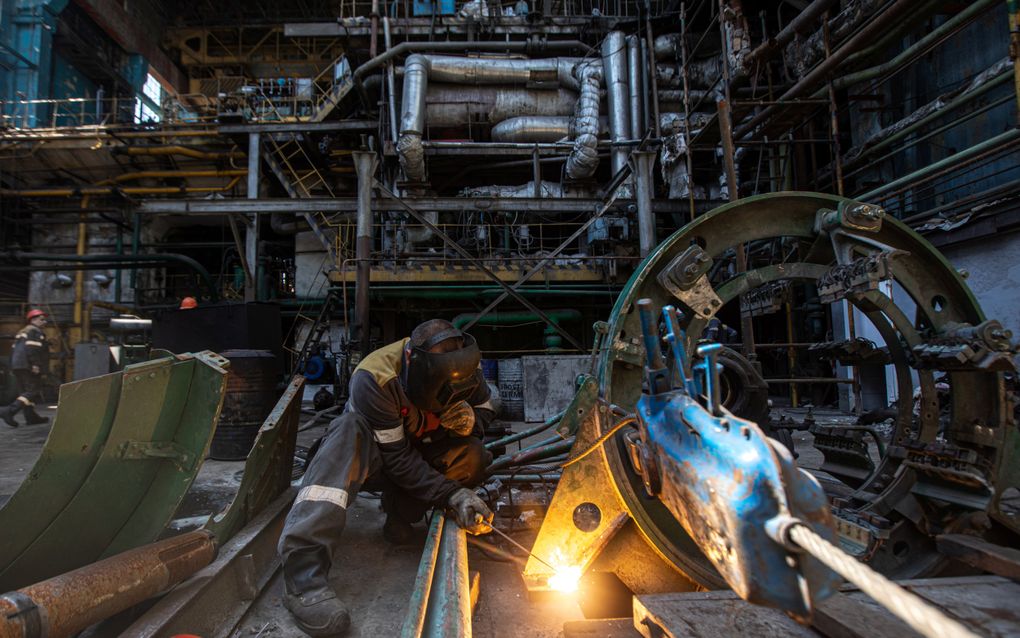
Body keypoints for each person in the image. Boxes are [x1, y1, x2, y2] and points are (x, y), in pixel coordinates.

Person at [278, 319, 496, 636]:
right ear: (412, 363)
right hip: (375, 462)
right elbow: (398, 460)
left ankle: (400, 511)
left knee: (473, 455)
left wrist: (474, 419)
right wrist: (453, 494)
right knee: (348, 430)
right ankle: (303, 577)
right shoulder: (375, 378)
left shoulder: (463, 366)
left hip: (421, 452)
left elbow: (488, 405)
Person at [1, 309, 50, 428]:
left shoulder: (22, 331)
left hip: (18, 365)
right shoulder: (35, 331)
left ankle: (31, 417)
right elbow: (33, 349)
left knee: (25, 392)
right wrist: (35, 364)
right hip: (27, 365)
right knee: (32, 390)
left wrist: (12, 366)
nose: (45, 322)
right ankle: (9, 411)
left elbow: (13, 350)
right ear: (33, 320)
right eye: (41, 319)